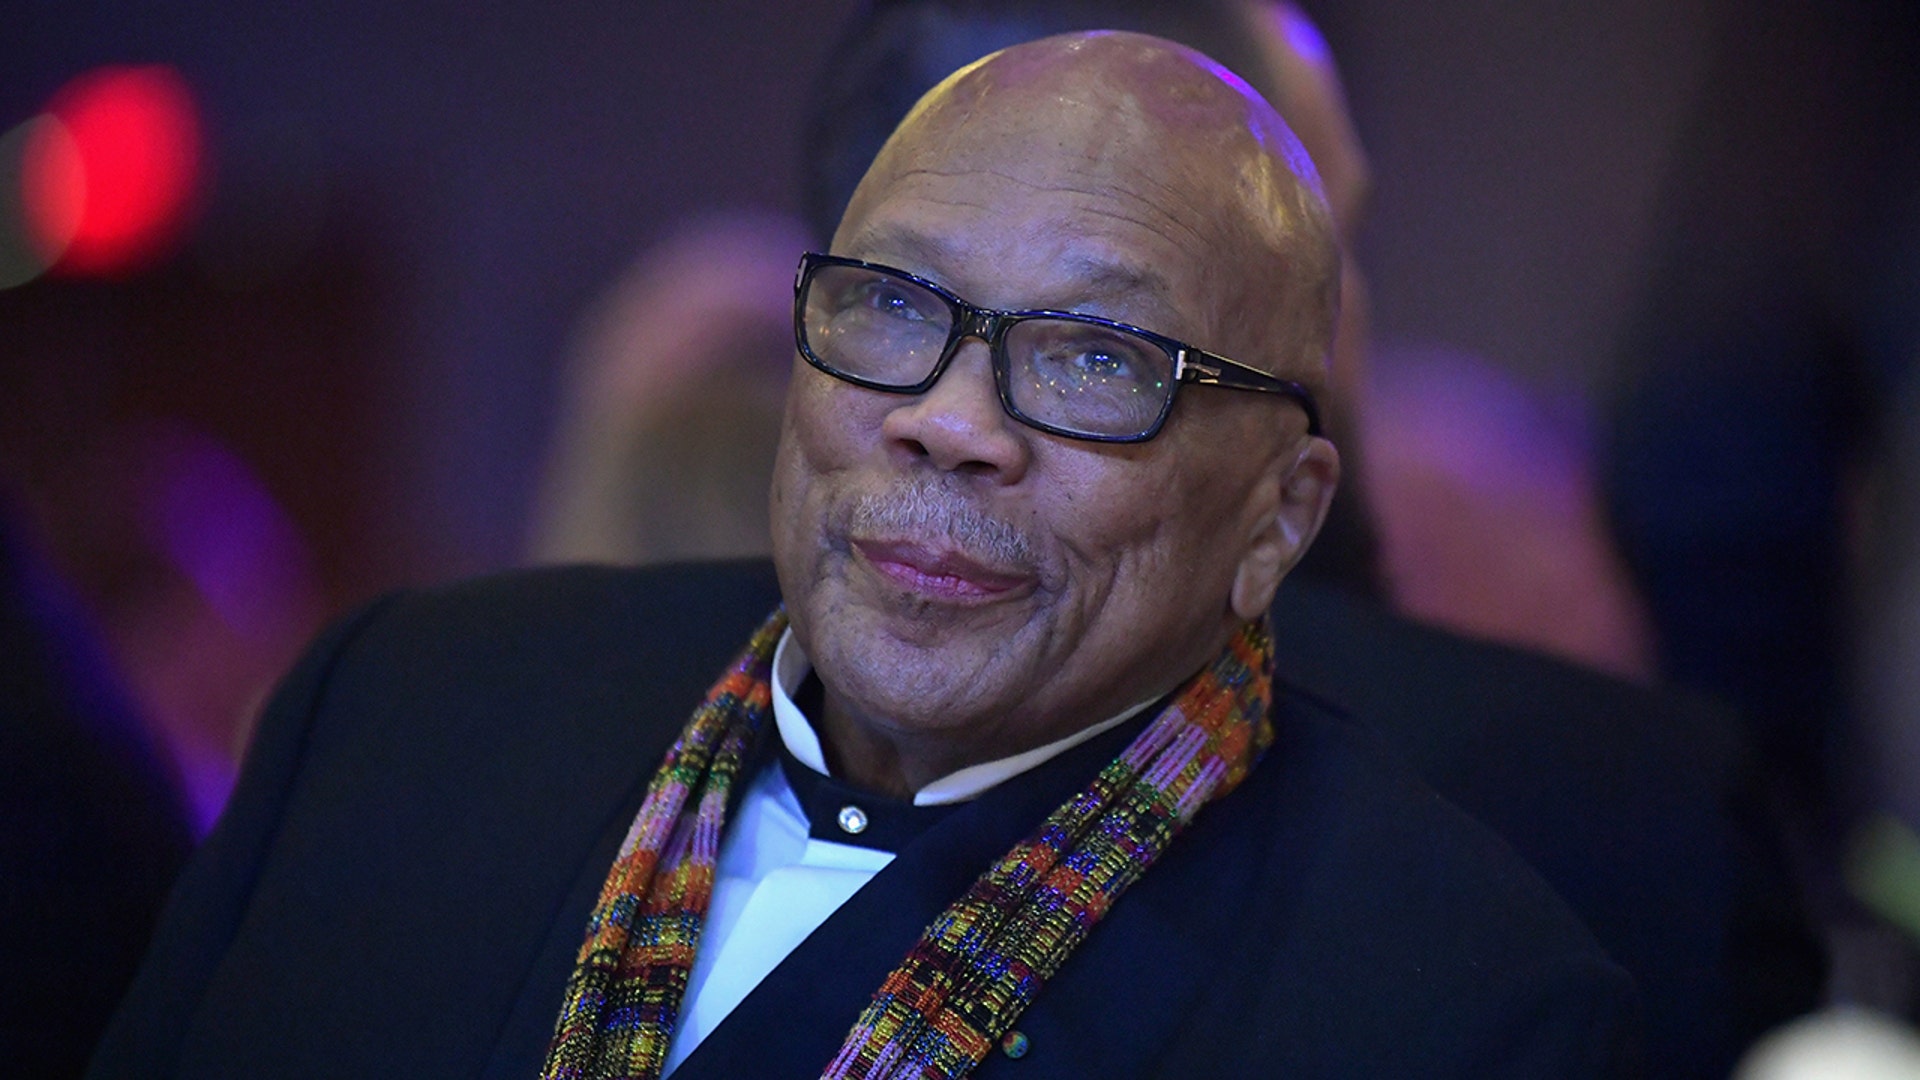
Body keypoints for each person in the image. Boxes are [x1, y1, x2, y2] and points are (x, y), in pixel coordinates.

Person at [92, 32, 1638, 1078]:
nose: (952, 423)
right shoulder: (410, 713)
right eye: (894, 308)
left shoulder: (1449, 1005)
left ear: (1280, 517)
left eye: (1097, 358)